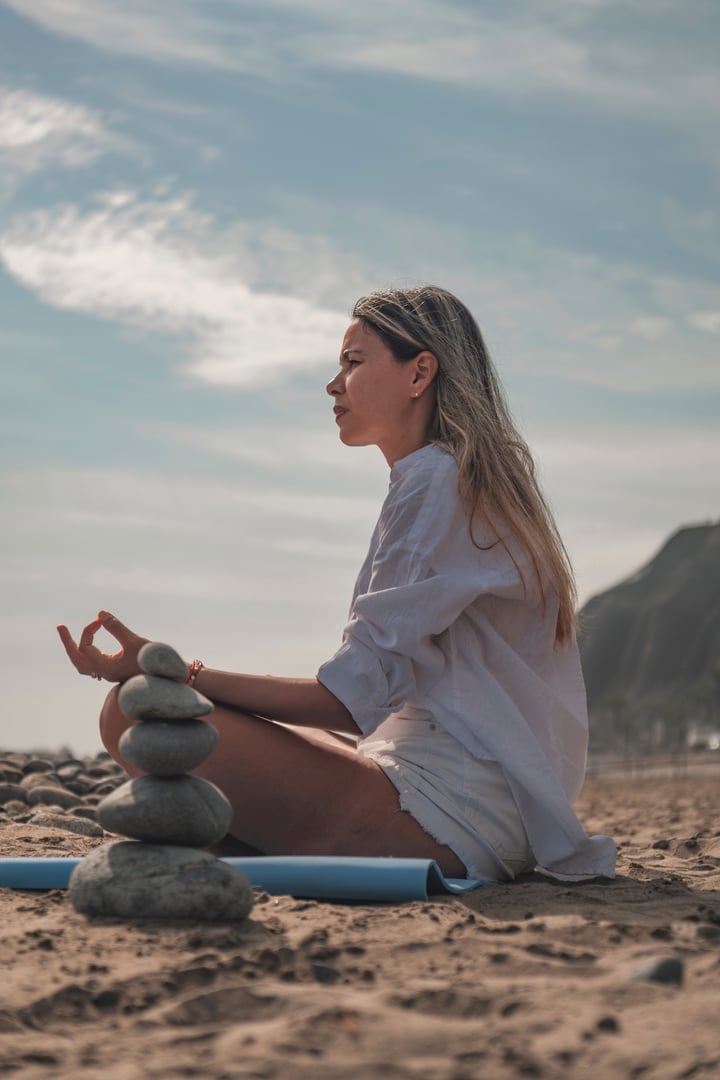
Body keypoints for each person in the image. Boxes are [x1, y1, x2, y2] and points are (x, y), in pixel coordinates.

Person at [58, 286, 616, 882]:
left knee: (131, 712)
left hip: (449, 815)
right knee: (181, 722)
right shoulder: (459, 478)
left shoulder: (436, 482)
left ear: (419, 372)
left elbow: (349, 702)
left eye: (353, 363)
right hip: (483, 805)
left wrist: (178, 673)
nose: (333, 384)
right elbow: (372, 700)